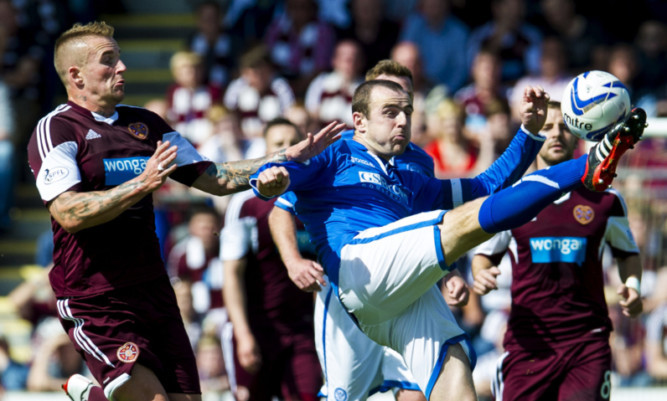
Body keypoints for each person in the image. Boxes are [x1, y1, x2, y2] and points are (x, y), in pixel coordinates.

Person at [251, 79, 646, 400]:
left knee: (454, 368)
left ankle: (589, 167)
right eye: (390, 113)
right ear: (360, 121)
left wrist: (529, 132)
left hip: (392, 301)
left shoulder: (411, 177)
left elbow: (487, 186)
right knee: (455, 224)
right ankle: (588, 165)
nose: (402, 121)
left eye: (406, 112)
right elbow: (279, 180)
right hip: (357, 267)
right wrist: (270, 178)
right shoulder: (334, 154)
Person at [25, 21, 344, 401]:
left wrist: (282, 158)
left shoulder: (145, 125)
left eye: (120, 58)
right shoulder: (56, 130)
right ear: (75, 75)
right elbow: (69, 212)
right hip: (96, 297)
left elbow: (218, 178)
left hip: (154, 289)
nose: (122, 67)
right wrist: (141, 184)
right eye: (108, 61)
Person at [269, 60, 439, 401]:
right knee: (345, 396)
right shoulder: (338, 150)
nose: (400, 109)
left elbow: (429, 221)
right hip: (352, 285)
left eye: (405, 96)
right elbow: (280, 208)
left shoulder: (420, 161)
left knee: (416, 391)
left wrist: (444, 275)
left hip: (406, 288)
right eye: (389, 97)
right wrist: (293, 261)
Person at [470, 101, 644, 401]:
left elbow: (627, 253)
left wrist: (633, 286)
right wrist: (481, 274)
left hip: (586, 342)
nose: (556, 134)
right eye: (547, 128)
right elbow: (484, 257)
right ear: (536, 135)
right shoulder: (513, 199)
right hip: (530, 345)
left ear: (579, 133)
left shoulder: (606, 200)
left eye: (564, 127)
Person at [221, 118, 321, 401]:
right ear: (266, 150)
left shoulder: (316, 198)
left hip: (302, 330)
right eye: (278, 144)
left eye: (293, 141)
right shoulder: (246, 204)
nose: (287, 149)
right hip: (257, 327)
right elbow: (232, 274)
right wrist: (243, 334)